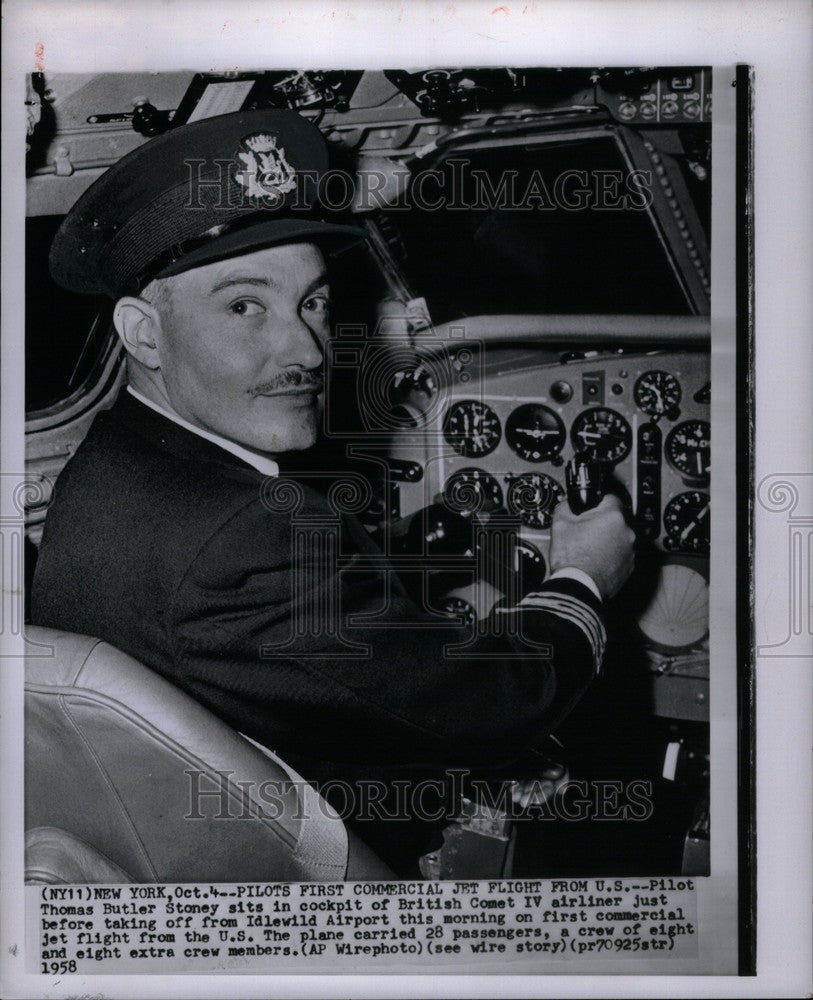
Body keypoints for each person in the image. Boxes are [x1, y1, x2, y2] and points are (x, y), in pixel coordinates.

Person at [31, 109, 635, 874]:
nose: (305, 348)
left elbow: (293, 667)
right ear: (143, 333)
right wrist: (583, 576)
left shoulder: (117, 465)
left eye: (312, 301)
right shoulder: (237, 535)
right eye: (244, 305)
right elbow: (502, 699)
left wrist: (444, 552)